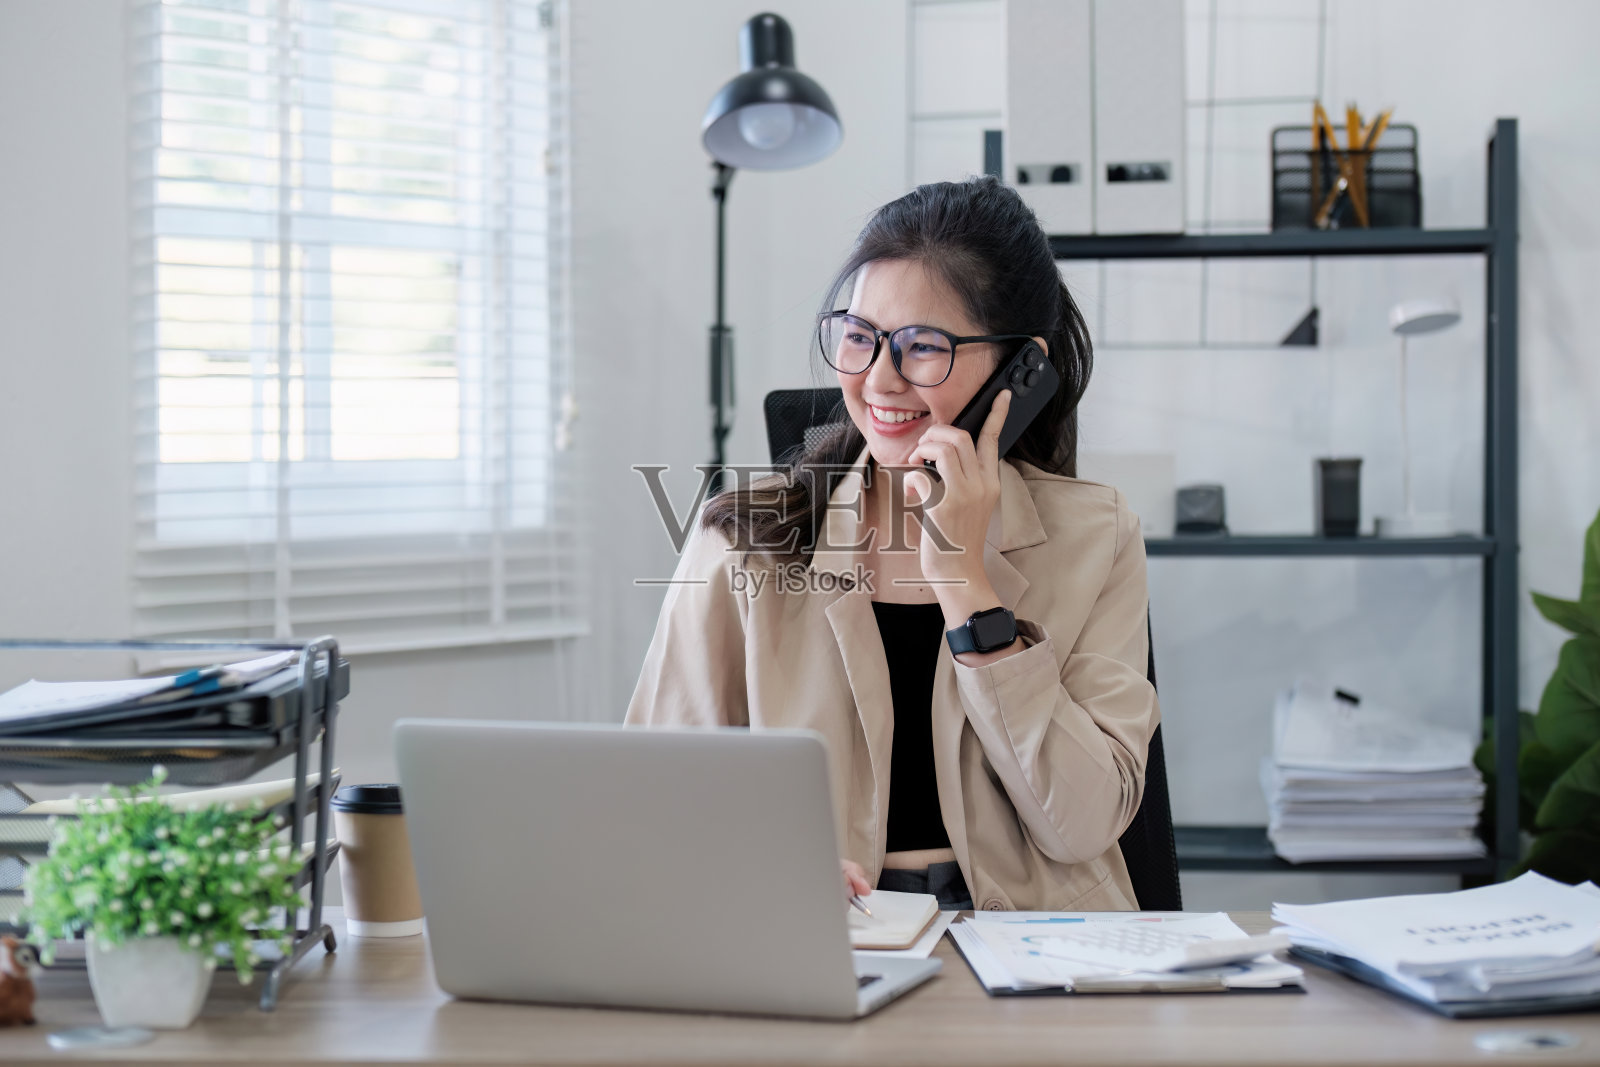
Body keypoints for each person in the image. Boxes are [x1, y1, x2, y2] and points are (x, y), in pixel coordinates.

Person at [625, 176, 1159, 912]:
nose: (878, 378)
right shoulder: (741, 541)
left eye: (921, 347)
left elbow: (1083, 823)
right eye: (858, 336)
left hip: (1042, 956)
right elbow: (655, 801)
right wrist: (766, 865)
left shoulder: (1095, 536)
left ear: (1019, 369)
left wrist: (968, 585)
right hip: (821, 938)